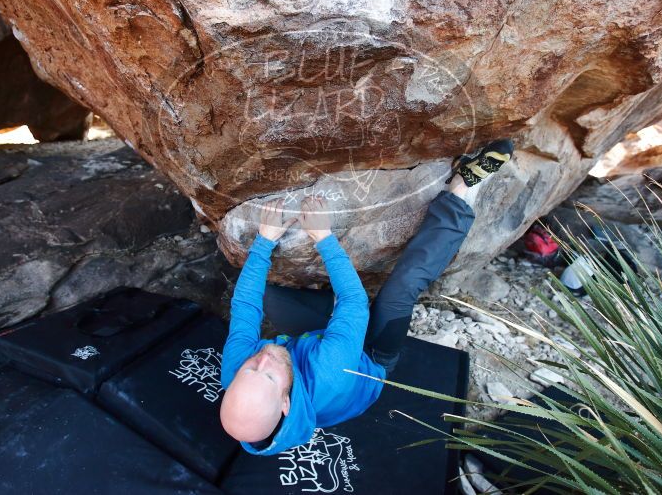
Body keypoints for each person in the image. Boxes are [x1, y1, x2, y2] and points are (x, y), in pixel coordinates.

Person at [220, 139, 514, 455]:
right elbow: (354, 301)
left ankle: (336, 328)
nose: (262, 356)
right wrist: (323, 236)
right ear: (286, 403)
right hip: (372, 355)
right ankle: (460, 189)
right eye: (266, 374)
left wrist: (264, 242)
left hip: (319, 346)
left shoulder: (237, 370)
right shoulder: (329, 373)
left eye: (250, 368)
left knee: (269, 297)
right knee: (402, 288)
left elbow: (245, 306)